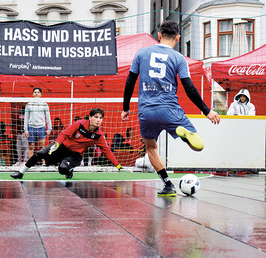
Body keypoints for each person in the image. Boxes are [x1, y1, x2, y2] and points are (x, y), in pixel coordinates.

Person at [121, 20, 220, 197]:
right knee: (198, 146)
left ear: (158, 36)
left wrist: (126, 108)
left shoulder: (141, 53)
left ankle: (168, 185)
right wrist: (207, 111)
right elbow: (189, 88)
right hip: (170, 108)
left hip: (146, 110)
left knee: (150, 147)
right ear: (178, 37)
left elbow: (130, 82)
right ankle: (184, 134)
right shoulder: (179, 58)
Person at [11, 107, 122, 179]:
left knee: (63, 170)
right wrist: (57, 144)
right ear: (90, 117)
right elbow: (64, 134)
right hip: (62, 147)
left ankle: (69, 169)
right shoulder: (79, 124)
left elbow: (107, 151)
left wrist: (117, 165)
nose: (98, 120)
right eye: (96, 117)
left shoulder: (99, 136)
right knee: (40, 153)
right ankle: (21, 172)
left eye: (101, 118)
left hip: (75, 155)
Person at [24, 87, 52, 163]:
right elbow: (26, 118)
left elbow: (48, 117)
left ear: (41, 94)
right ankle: (30, 163)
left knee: (42, 147)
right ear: (32, 94)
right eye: (35, 92)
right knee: (31, 147)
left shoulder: (44, 104)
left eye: (38, 92)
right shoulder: (29, 105)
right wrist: (26, 130)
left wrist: (49, 129)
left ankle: (44, 163)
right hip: (31, 127)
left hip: (41, 127)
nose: (36, 93)